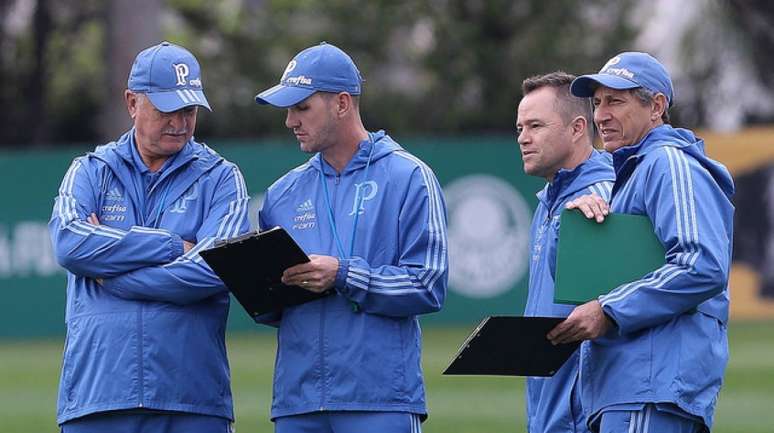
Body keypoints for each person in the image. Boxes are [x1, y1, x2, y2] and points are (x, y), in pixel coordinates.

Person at [49, 41, 250, 433]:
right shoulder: (90, 170)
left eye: (188, 110)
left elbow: (217, 270)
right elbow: (70, 244)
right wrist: (173, 245)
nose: (179, 122)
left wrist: (111, 273)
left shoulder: (222, 177)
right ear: (131, 103)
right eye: (167, 110)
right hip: (98, 396)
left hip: (192, 399)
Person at [253, 42, 448, 433]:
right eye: (288, 110)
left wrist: (343, 274)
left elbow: (428, 284)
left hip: (379, 399)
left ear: (342, 103)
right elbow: (271, 309)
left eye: (302, 107)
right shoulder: (281, 194)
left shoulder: (408, 177)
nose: (290, 121)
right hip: (298, 402)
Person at [547, 52, 734, 433]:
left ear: (657, 107)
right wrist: (576, 228)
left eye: (616, 100)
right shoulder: (633, 171)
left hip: (650, 387)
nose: (601, 115)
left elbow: (701, 264)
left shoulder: (669, 162)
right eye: (597, 103)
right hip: (629, 387)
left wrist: (608, 309)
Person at [516, 71, 614, 433]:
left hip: (582, 417)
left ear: (577, 129)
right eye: (519, 128)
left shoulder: (604, 197)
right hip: (549, 413)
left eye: (535, 126)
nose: (523, 139)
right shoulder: (547, 204)